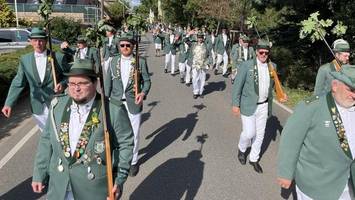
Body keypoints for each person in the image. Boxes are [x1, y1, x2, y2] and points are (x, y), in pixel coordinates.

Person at [31, 59, 134, 199]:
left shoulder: (112, 109)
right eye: (72, 83)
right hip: (59, 185)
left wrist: (119, 179)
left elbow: (125, 144)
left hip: (93, 188)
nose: (76, 88)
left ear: (95, 83)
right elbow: (47, 139)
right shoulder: (57, 106)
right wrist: (39, 173)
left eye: (82, 83)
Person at [277, 66, 355, 200]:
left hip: (347, 182)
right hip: (316, 185)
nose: (354, 95)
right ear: (335, 86)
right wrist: (285, 173)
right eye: (350, 90)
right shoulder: (312, 106)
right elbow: (290, 140)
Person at [2, 27, 68, 132]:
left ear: (46, 41)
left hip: (56, 103)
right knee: (45, 136)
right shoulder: (25, 59)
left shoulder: (57, 57)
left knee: (59, 135)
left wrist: (62, 84)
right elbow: (18, 82)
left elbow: (69, 77)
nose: (38, 43)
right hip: (37, 107)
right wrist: (8, 103)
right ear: (30, 41)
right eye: (35, 40)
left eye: (41, 40)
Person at [105, 32, 151, 177]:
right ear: (119, 46)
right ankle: (117, 161)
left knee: (134, 134)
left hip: (133, 103)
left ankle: (133, 162)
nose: (125, 47)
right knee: (116, 134)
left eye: (128, 45)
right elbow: (108, 84)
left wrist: (142, 93)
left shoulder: (140, 61)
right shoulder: (112, 62)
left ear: (132, 46)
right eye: (122, 45)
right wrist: (105, 102)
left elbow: (147, 81)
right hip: (116, 103)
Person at [232, 39, 277, 173]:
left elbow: (273, 86)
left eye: (266, 53)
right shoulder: (247, 65)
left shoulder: (272, 66)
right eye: (261, 52)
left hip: (263, 106)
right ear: (256, 52)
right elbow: (237, 85)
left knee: (260, 134)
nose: (263, 55)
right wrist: (235, 104)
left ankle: (254, 158)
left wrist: (280, 95)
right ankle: (242, 148)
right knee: (249, 132)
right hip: (248, 104)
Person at [191, 32, 209, 99]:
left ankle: (201, 92)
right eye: (199, 38)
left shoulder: (205, 45)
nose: (200, 39)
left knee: (202, 79)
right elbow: (185, 40)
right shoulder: (194, 44)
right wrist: (189, 34)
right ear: (197, 38)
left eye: (201, 38)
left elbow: (208, 55)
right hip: (195, 64)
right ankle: (195, 92)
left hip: (203, 64)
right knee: (194, 78)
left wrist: (209, 62)